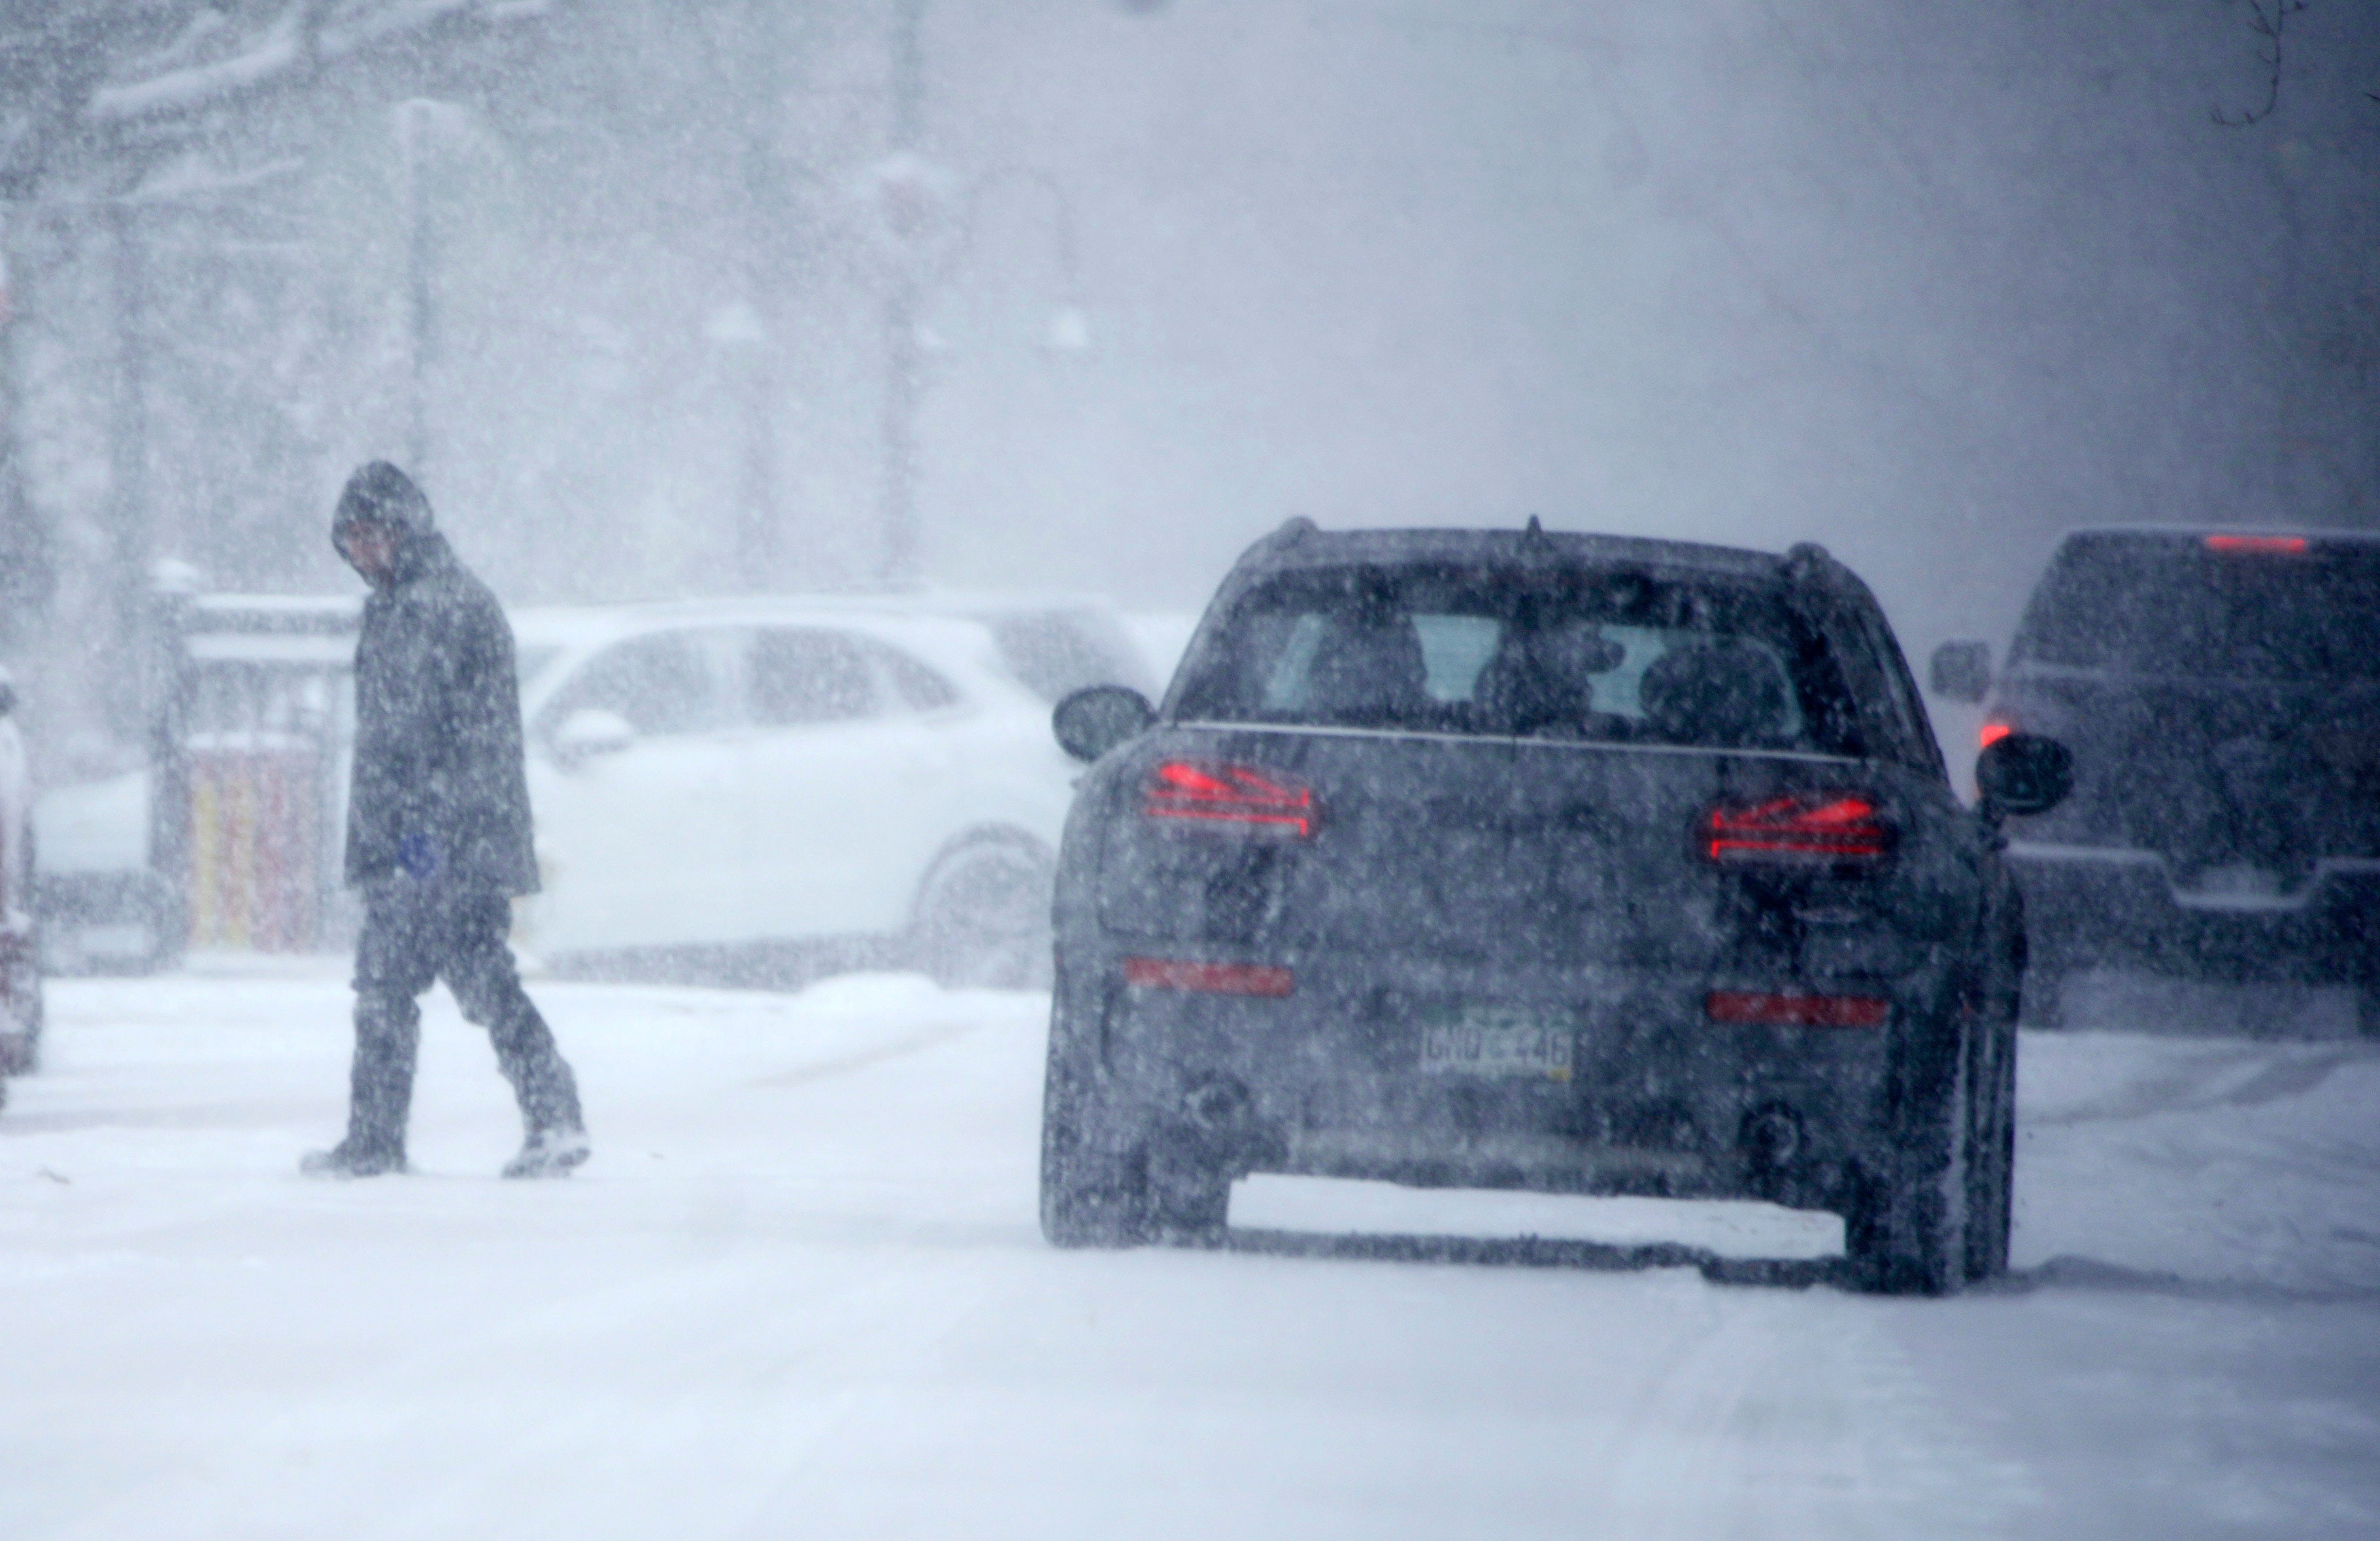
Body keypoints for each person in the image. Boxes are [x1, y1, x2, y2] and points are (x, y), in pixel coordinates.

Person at [303, 462, 588, 1179]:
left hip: (432, 841)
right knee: (479, 977)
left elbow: (422, 739)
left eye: (371, 534)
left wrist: (418, 845)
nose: (361, 552)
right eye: (351, 539)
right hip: (458, 835)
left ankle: (376, 1140)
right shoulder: (423, 600)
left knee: (386, 984)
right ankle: (553, 1114)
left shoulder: (429, 607)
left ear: (404, 530)